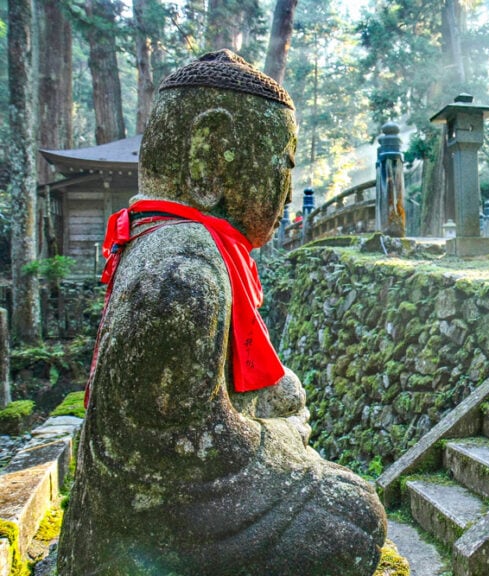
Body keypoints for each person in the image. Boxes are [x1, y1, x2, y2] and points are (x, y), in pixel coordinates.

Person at [57, 50, 386, 576]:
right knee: (351, 520)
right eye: (284, 165)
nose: (285, 190)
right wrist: (284, 439)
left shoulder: (177, 243)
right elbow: (178, 451)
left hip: (156, 510)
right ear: (211, 155)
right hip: (147, 530)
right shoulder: (181, 273)